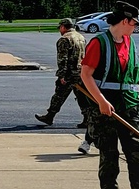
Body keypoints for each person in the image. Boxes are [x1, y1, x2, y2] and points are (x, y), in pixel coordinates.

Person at [79, 1, 139, 189]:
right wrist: (101, 102)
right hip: (106, 108)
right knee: (109, 156)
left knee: (137, 154)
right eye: (134, 23)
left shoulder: (130, 42)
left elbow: (136, 68)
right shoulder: (99, 43)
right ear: (125, 21)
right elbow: (86, 74)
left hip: (130, 106)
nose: (136, 26)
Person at [35, 17, 95, 154]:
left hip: (69, 74)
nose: (59, 30)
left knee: (59, 95)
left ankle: (49, 116)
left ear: (63, 26)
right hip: (81, 73)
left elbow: (63, 59)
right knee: (82, 97)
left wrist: (61, 75)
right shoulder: (81, 37)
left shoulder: (64, 39)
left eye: (60, 27)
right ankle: (86, 118)